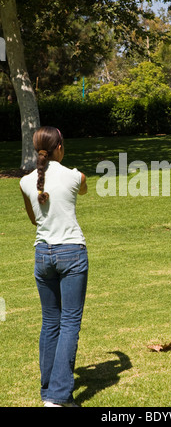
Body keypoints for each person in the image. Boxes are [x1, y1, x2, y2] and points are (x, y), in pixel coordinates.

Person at [20, 126, 88, 407]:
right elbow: (83, 189)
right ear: (59, 147)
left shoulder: (25, 181)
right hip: (71, 252)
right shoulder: (74, 176)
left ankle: (48, 392)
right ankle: (58, 397)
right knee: (70, 323)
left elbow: (34, 220)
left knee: (50, 323)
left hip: (42, 255)